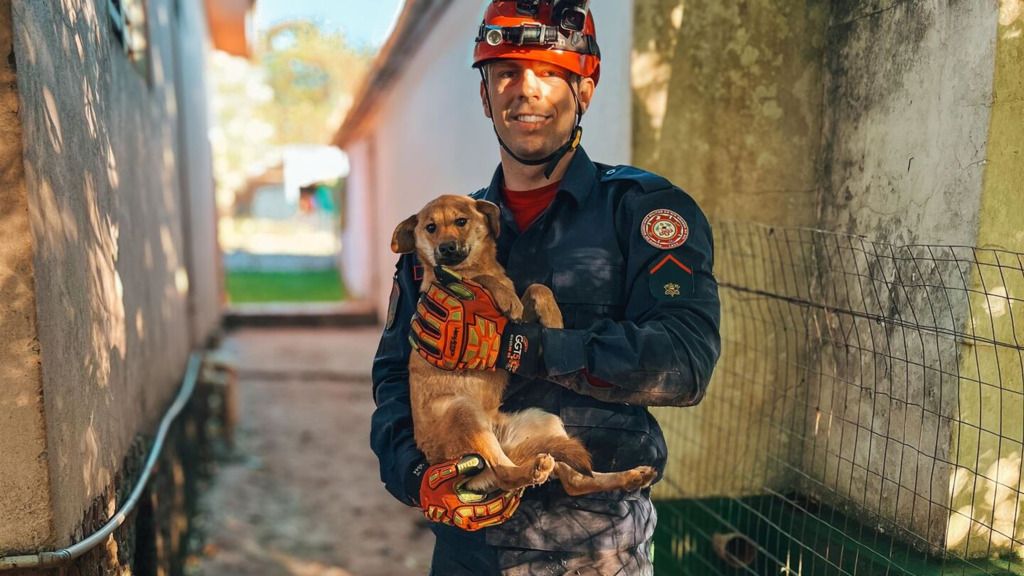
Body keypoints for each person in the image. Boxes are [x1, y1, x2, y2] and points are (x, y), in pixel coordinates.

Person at [370, 1, 721, 574]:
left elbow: (684, 361)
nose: (525, 90)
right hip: (470, 550)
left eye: (550, 73)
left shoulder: (641, 211)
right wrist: (415, 474)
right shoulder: (439, 234)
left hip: (595, 547)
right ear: (485, 96)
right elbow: (392, 374)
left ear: (585, 89)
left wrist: (523, 347)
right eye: (505, 72)